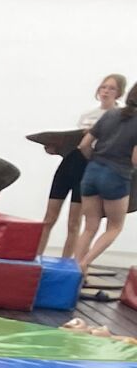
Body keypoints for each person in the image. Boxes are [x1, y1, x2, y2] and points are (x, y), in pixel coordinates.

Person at [41, 75, 128, 258]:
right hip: (71, 162)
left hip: (91, 166)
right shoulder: (88, 114)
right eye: (103, 87)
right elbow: (77, 143)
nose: (106, 91)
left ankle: (66, 262)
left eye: (111, 88)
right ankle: (36, 257)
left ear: (119, 92)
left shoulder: (119, 117)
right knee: (49, 217)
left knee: (74, 221)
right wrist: (57, 148)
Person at [77, 84, 137, 269]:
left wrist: (94, 161)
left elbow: (84, 145)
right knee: (114, 227)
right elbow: (135, 159)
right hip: (117, 174)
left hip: (92, 171)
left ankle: (74, 269)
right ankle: (85, 263)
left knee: (89, 226)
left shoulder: (110, 114)